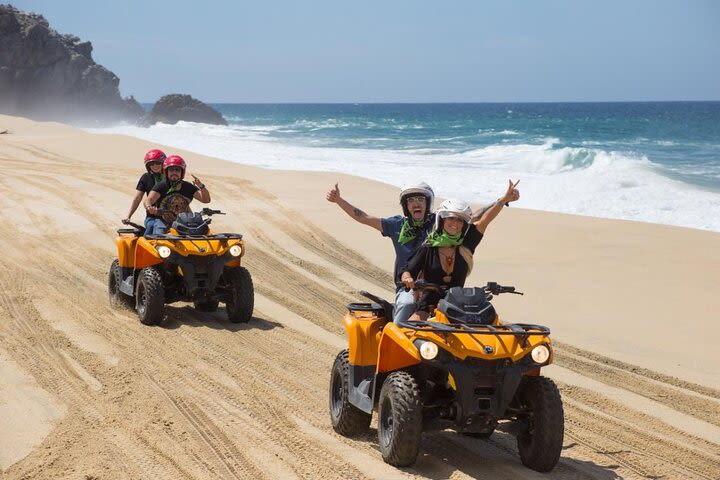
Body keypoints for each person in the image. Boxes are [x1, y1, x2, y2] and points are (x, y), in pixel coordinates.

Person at [400, 180, 520, 321]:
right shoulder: (428, 247)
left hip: (457, 304)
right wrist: (407, 278)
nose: (455, 223)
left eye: (459, 220)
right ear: (442, 219)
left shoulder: (466, 244)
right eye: (451, 218)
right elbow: (407, 270)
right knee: (410, 330)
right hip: (428, 304)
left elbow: (486, 220)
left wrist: (504, 199)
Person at [144, 155, 211, 235]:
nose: (174, 172)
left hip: (185, 221)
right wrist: (149, 207)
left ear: (182, 172)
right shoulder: (161, 186)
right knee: (159, 236)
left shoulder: (188, 187)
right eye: (171, 170)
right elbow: (149, 199)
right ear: (166, 172)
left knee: (203, 234)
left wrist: (201, 186)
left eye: (177, 170)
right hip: (163, 220)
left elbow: (206, 200)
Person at [122, 149, 166, 232]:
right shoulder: (146, 178)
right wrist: (128, 216)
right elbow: (138, 197)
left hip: (171, 215)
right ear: (148, 166)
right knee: (150, 227)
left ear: (163, 163)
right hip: (152, 215)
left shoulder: (170, 178)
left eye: (158, 163)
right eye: (151, 164)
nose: (155, 166)